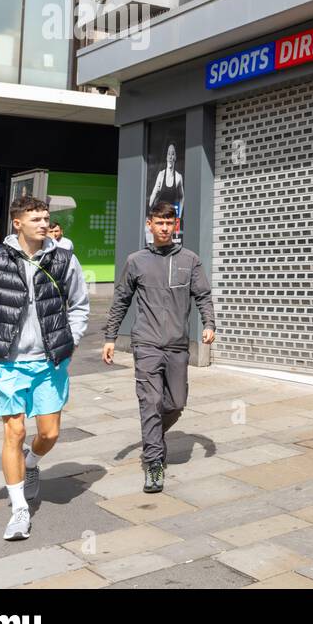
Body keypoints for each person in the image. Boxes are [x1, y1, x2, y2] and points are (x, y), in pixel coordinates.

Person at [0, 196, 90, 541]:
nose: (43, 223)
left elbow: (79, 304)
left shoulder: (64, 259)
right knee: (13, 432)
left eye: (46, 217)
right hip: (8, 360)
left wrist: (72, 340)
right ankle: (19, 508)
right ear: (17, 223)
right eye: (35, 218)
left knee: (48, 434)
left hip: (50, 360)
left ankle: (31, 463)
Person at [102, 201, 215, 494]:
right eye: (159, 223)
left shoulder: (190, 259)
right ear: (149, 225)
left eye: (169, 223)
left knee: (176, 403)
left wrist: (209, 324)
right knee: (150, 402)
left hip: (177, 346)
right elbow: (121, 300)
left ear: (175, 226)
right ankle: (153, 462)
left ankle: (152, 434)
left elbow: (203, 295)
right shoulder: (136, 260)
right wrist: (110, 337)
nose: (164, 228)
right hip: (147, 343)